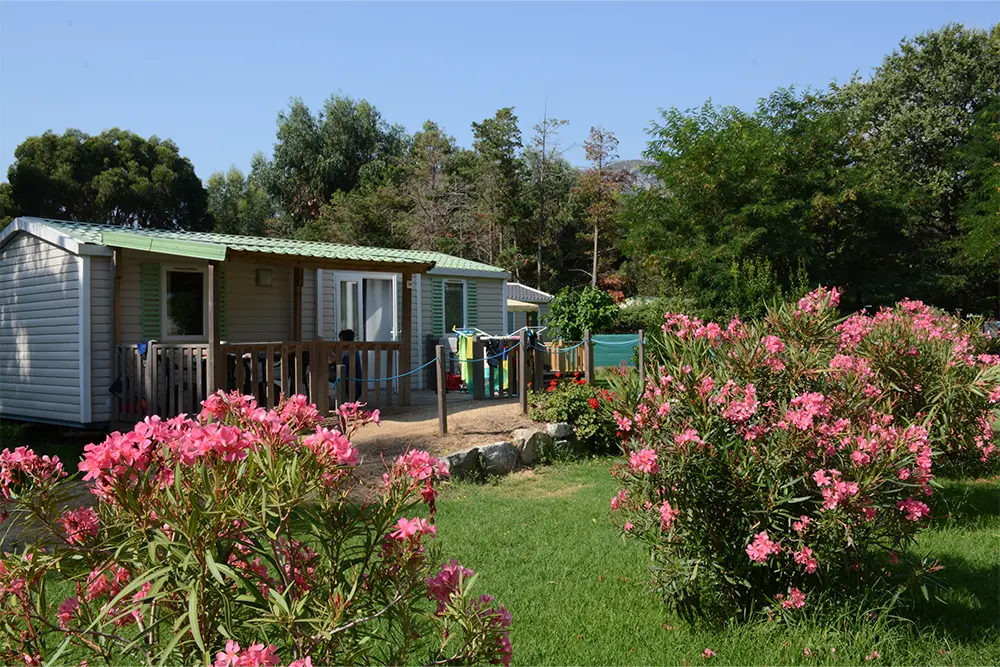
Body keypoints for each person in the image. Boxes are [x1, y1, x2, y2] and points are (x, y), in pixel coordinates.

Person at [339, 329, 364, 400]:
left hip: (352, 384)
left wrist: (328, 352)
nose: (339, 342)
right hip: (356, 384)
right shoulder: (354, 348)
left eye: (340, 339)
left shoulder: (347, 349)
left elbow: (334, 359)